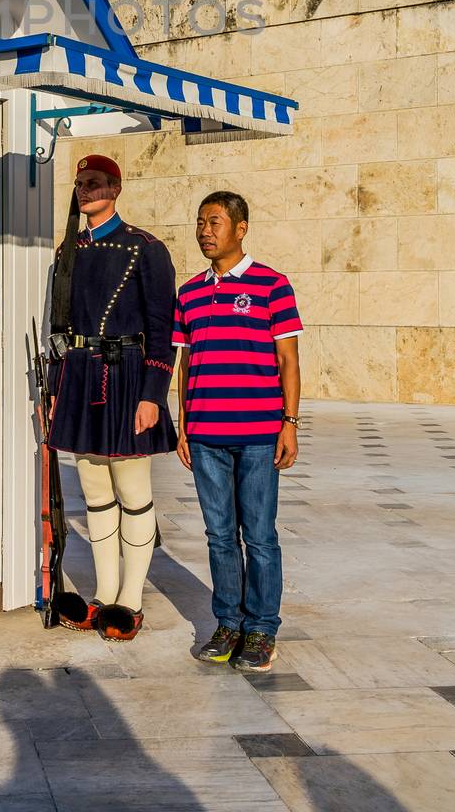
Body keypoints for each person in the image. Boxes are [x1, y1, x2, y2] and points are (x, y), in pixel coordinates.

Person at [47, 153, 177, 641]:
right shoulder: (69, 251)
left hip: (125, 378)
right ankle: (104, 595)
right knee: (95, 494)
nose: (86, 191)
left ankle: (132, 600)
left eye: (96, 183)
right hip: (81, 377)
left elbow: (162, 332)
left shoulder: (145, 247)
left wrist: (152, 395)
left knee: (133, 492)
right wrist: (58, 387)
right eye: (81, 183)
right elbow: (60, 328)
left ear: (116, 189)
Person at [172, 190, 302, 672]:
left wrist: (289, 423)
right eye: (200, 223)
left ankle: (262, 628)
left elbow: (288, 360)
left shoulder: (273, 285)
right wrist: (184, 426)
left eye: (215, 222)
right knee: (219, 535)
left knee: (260, 535)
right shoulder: (187, 292)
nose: (206, 231)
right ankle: (228, 623)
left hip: (259, 434)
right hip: (206, 436)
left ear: (240, 228)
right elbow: (186, 363)